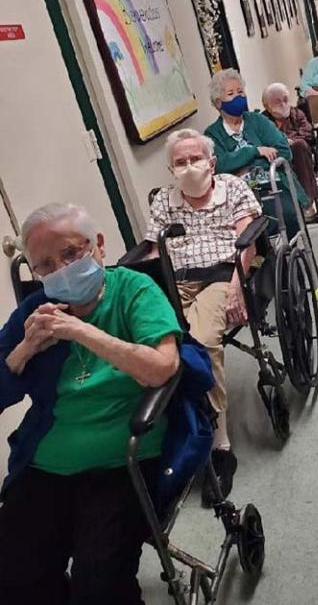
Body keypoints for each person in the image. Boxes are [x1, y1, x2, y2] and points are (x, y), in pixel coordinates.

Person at [0, 203, 183, 605]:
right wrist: (23, 350)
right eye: (45, 266)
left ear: (98, 245)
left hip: (123, 462)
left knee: (100, 586)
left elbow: (161, 369)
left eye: (70, 254)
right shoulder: (35, 312)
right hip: (45, 464)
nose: (60, 270)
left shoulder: (134, 289)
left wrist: (82, 332)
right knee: (13, 577)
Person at [145, 128, 261, 506]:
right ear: (170, 169)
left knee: (202, 342)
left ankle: (219, 444)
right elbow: (151, 251)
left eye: (195, 159)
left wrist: (236, 286)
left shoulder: (233, 188)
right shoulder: (164, 201)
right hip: (175, 278)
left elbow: (248, 240)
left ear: (211, 163)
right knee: (153, 343)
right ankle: (173, 433)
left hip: (221, 274)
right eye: (180, 162)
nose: (189, 167)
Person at [204, 68, 309, 237]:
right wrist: (255, 152)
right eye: (231, 93)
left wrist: (244, 168)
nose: (239, 97)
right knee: (245, 231)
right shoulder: (212, 134)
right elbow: (220, 166)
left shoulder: (258, 120)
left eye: (240, 91)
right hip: (238, 196)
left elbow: (283, 151)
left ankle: (289, 259)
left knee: (288, 217)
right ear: (218, 102)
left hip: (272, 186)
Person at [262, 82, 317, 219]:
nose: (283, 104)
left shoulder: (296, 113)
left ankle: (307, 202)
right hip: (278, 157)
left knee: (298, 145)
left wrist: (291, 140)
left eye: (285, 99)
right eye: (277, 101)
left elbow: (308, 132)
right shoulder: (262, 121)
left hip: (300, 155)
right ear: (267, 106)